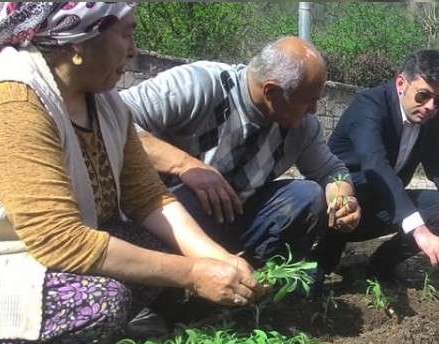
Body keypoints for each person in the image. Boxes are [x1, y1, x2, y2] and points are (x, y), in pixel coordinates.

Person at [0, 2, 264, 344]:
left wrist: (216, 258)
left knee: (151, 248)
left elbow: (150, 199)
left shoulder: (107, 104)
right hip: (2, 258)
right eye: (126, 34)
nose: (133, 51)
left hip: (47, 256)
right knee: (103, 302)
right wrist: (192, 274)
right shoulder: (11, 97)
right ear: (80, 39)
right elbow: (59, 240)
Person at [119, 36, 361, 269]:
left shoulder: (303, 128)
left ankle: (256, 284)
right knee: (188, 196)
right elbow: (113, 120)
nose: (314, 110)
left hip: (240, 219)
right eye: (308, 101)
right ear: (271, 92)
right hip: (175, 221)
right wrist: (185, 166)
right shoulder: (200, 85)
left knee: (307, 196)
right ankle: (167, 290)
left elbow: (332, 171)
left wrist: (342, 198)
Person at [313, 49, 439, 286]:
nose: (430, 106)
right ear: (401, 83)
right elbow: (373, 163)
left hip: (382, 202)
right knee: (357, 187)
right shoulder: (369, 105)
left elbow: (436, 160)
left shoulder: (428, 115)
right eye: (423, 96)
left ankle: (381, 264)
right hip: (339, 206)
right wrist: (419, 231)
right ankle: (320, 263)